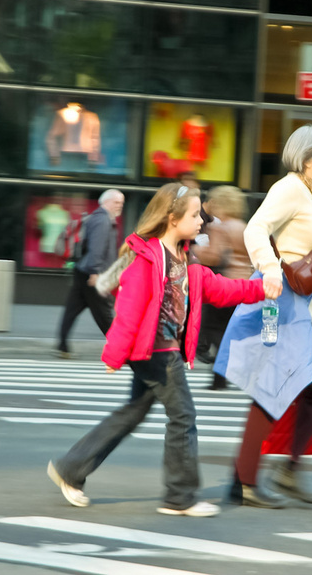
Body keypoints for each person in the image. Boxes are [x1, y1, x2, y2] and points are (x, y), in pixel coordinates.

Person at [47, 183, 268, 517]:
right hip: (156, 351)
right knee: (183, 416)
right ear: (171, 217)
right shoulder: (147, 258)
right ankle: (180, 497)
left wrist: (261, 288)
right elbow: (129, 310)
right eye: (194, 215)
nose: (200, 221)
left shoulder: (186, 259)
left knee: (133, 411)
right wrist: (113, 355)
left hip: (163, 349)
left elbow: (220, 289)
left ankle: (70, 468)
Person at [214, 121, 312, 509]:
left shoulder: (311, 193)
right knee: (273, 387)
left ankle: (283, 471)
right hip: (283, 304)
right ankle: (246, 481)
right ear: (307, 157)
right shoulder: (290, 188)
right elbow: (256, 228)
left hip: (309, 310)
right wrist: (271, 270)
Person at [190, 186, 252, 390]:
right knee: (226, 331)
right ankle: (220, 377)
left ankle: (219, 376)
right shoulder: (243, 226)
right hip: (244, 285)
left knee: (211, 329)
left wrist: (195, 248)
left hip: (224, 285)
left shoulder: (220, 227)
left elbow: (214, 255)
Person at [55, 189, 124, 359]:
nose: (120, 206)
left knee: (72, 309)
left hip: (83, 270)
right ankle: (121, 348)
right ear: (106, 202)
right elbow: (97, 249)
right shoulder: (102, 220)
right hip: (93, 274)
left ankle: (62, 345)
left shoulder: (99, 218)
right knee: (104, 314)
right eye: (117, 203)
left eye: (121, 203)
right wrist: (95, 273)